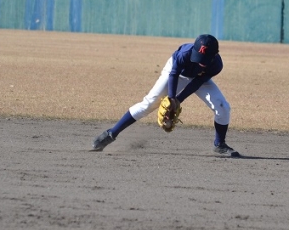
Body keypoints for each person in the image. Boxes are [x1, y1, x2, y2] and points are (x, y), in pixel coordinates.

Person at [92, 34, 240, 157]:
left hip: (197, 79)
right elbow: (174, 74)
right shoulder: (184, 54)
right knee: (149, 104)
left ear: (215, 55)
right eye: (198, 56)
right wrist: (171, 98)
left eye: (204, 59)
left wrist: (178, 100)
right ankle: (111, 133)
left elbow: (196, 83)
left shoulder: (216, 65)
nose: (201, 62)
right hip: (176, 73)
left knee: (223, 106)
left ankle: (219, 144)